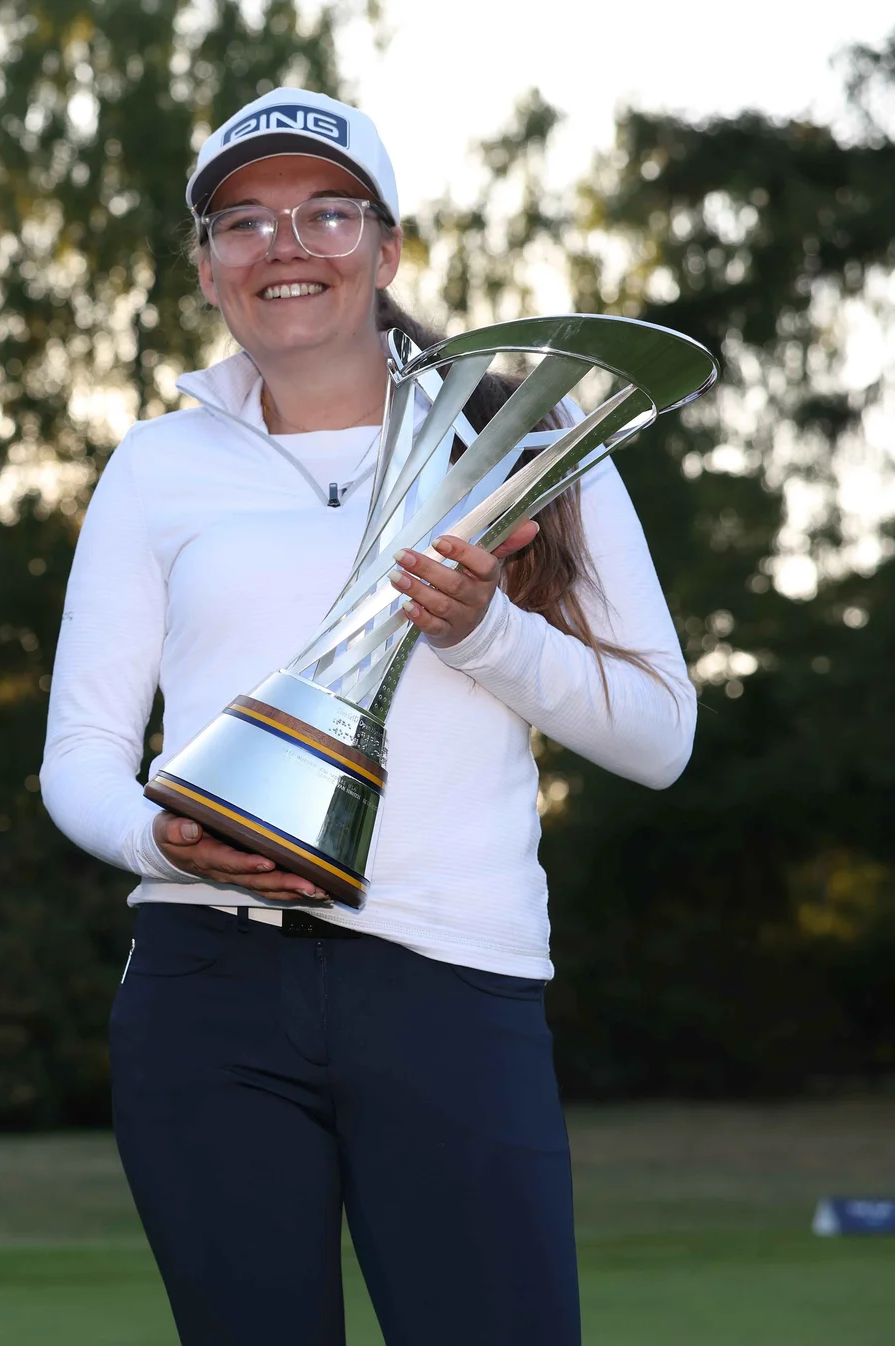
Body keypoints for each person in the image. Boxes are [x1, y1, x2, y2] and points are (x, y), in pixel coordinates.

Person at [40, 89, 695, 1345]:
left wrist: (487, 630)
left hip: (453, 984)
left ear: (386, 249)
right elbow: (80, 756)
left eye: (326, 213)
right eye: (245, 221)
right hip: (204, 984)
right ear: (209, 267)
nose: (286, 246)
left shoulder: (539, 433)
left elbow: (661, 735)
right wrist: (152, 842)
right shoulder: (156, 462)